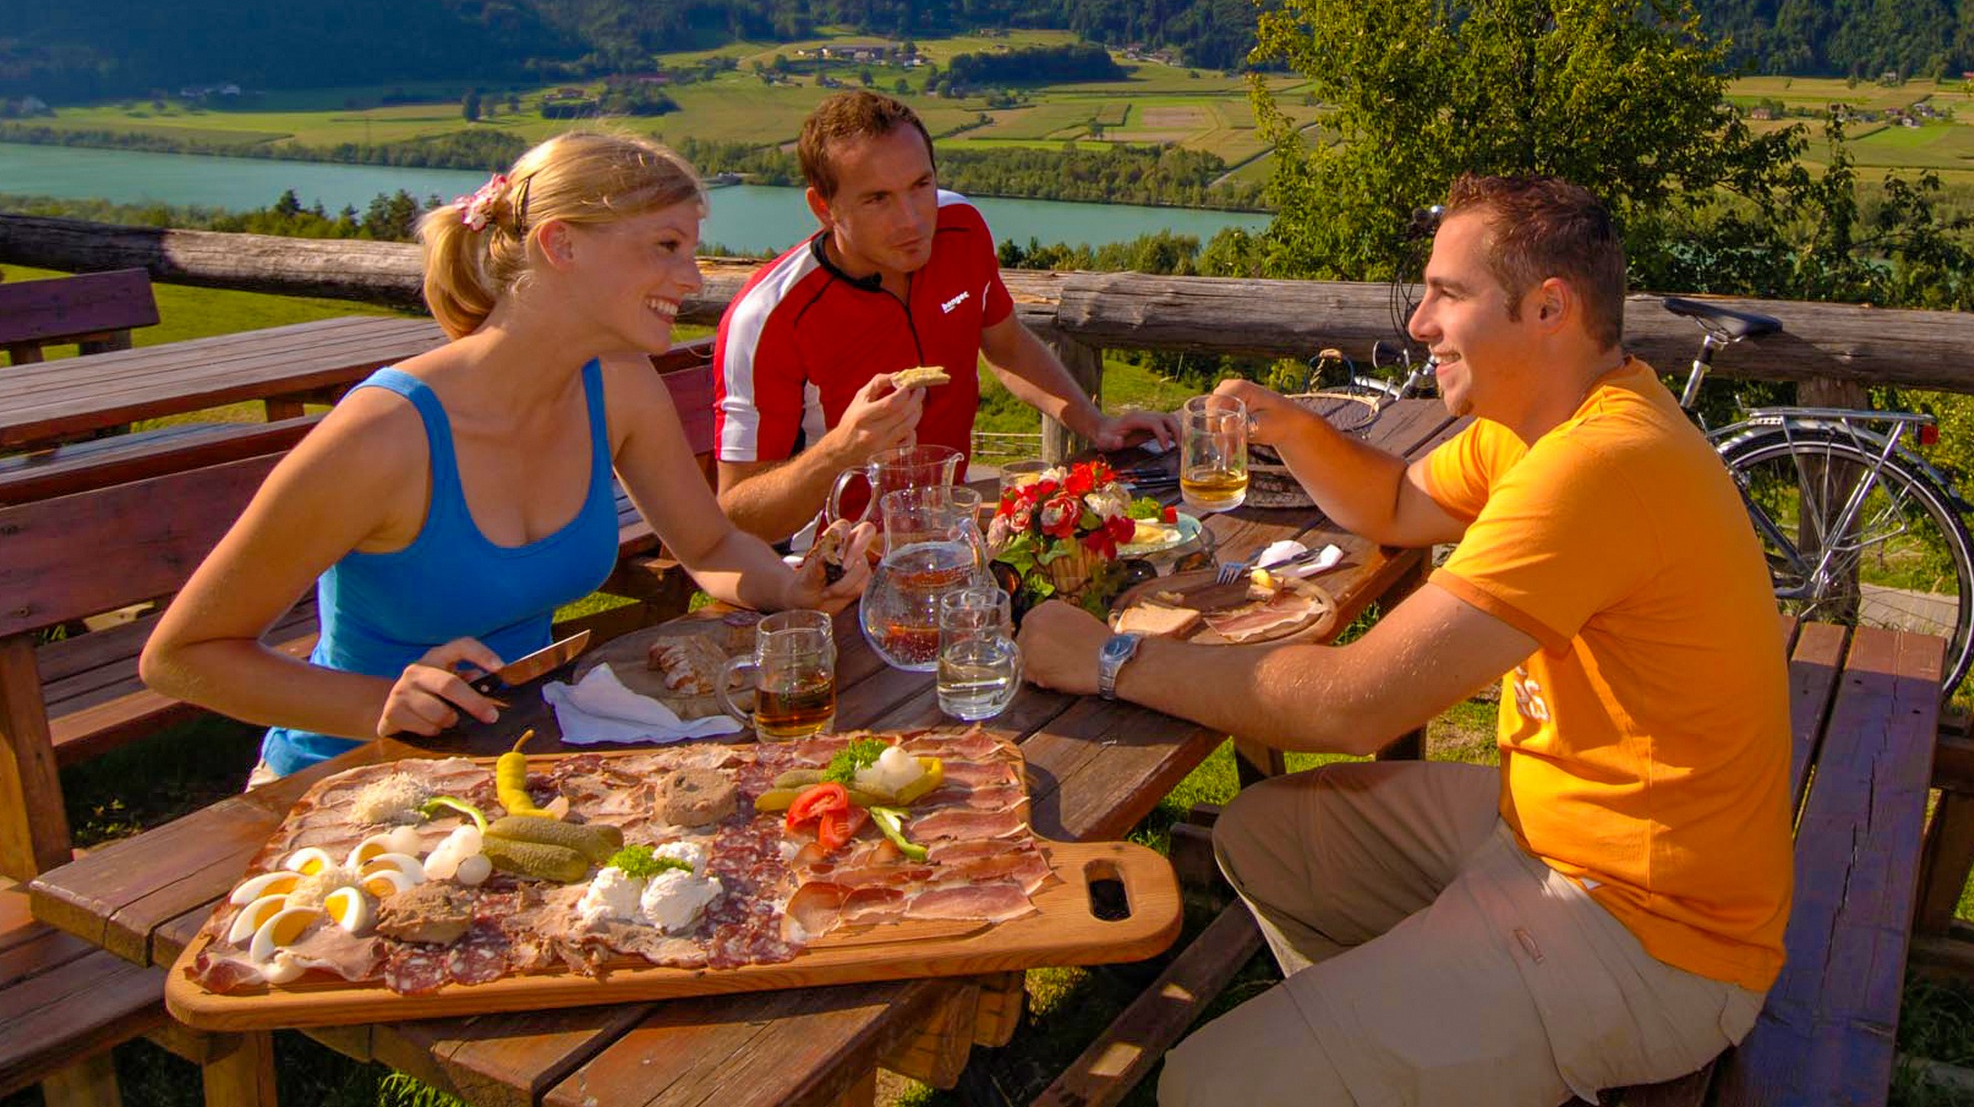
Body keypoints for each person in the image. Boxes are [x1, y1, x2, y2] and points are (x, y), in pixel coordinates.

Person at [1020, 174, 1793, 1107]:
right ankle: (1393, 1048)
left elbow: (1356, 705)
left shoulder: (1598, 466)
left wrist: (1107, 659)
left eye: (1448, 295)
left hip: (1654, 939)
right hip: (1543, 833)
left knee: (1206, 1087)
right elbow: (1391, 503)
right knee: (1267, 834)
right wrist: (1288, 422)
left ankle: (1381, 1052)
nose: (1420, 322)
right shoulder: (1549, 419)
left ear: (1549, 307)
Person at [142, 132, 872, 776]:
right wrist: (383, 703)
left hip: (517, 756)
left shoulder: (617, 384)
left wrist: (790, 588)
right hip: (346, 781)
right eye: (666, 246)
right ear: (562, 245)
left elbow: (708, 542)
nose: (692, 279)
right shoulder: (385, 434)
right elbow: (183, 656)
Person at [712, 91, 1174, 543]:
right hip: (830, 567)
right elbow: (737, 515)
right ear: (823, 207)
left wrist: (1097, 425)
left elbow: (1006, 344)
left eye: (921, 185)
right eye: (877, 199)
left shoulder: (960, 228)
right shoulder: (769, 318)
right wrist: (841, 450)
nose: (912, 220)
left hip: (951, 536)